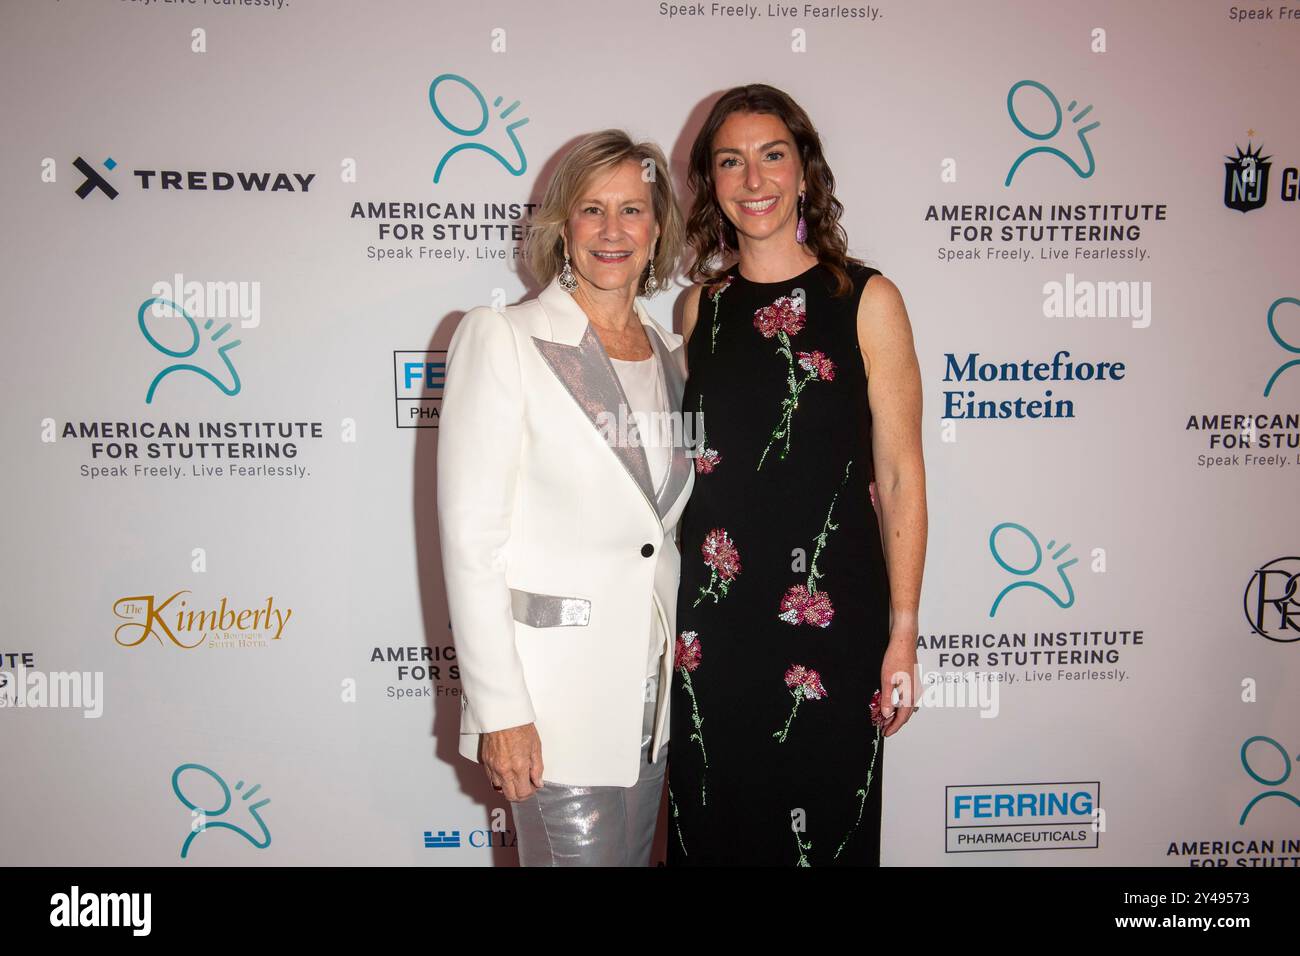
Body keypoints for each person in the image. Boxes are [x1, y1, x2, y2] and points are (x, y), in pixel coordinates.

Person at [668, 85, 927, 866]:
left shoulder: (866, 300)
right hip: (716, 622)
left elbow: (901, 475)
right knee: (716, 824)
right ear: (710, 184)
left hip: (831, 616)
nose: (754, 179)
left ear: (805, 172)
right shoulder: (696, 312)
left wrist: (904, 631)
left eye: (773, 155)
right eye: (731, 161)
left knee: (825, 828)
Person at [436, 129, 693, 866]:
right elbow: (471, 542)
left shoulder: (674, 355)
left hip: (651, 705)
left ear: (657, 228)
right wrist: (501, 711)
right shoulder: (504, 338)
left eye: (633, 210)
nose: (613, 231)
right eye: (592, 210)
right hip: (552, 709)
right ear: (563, 226)